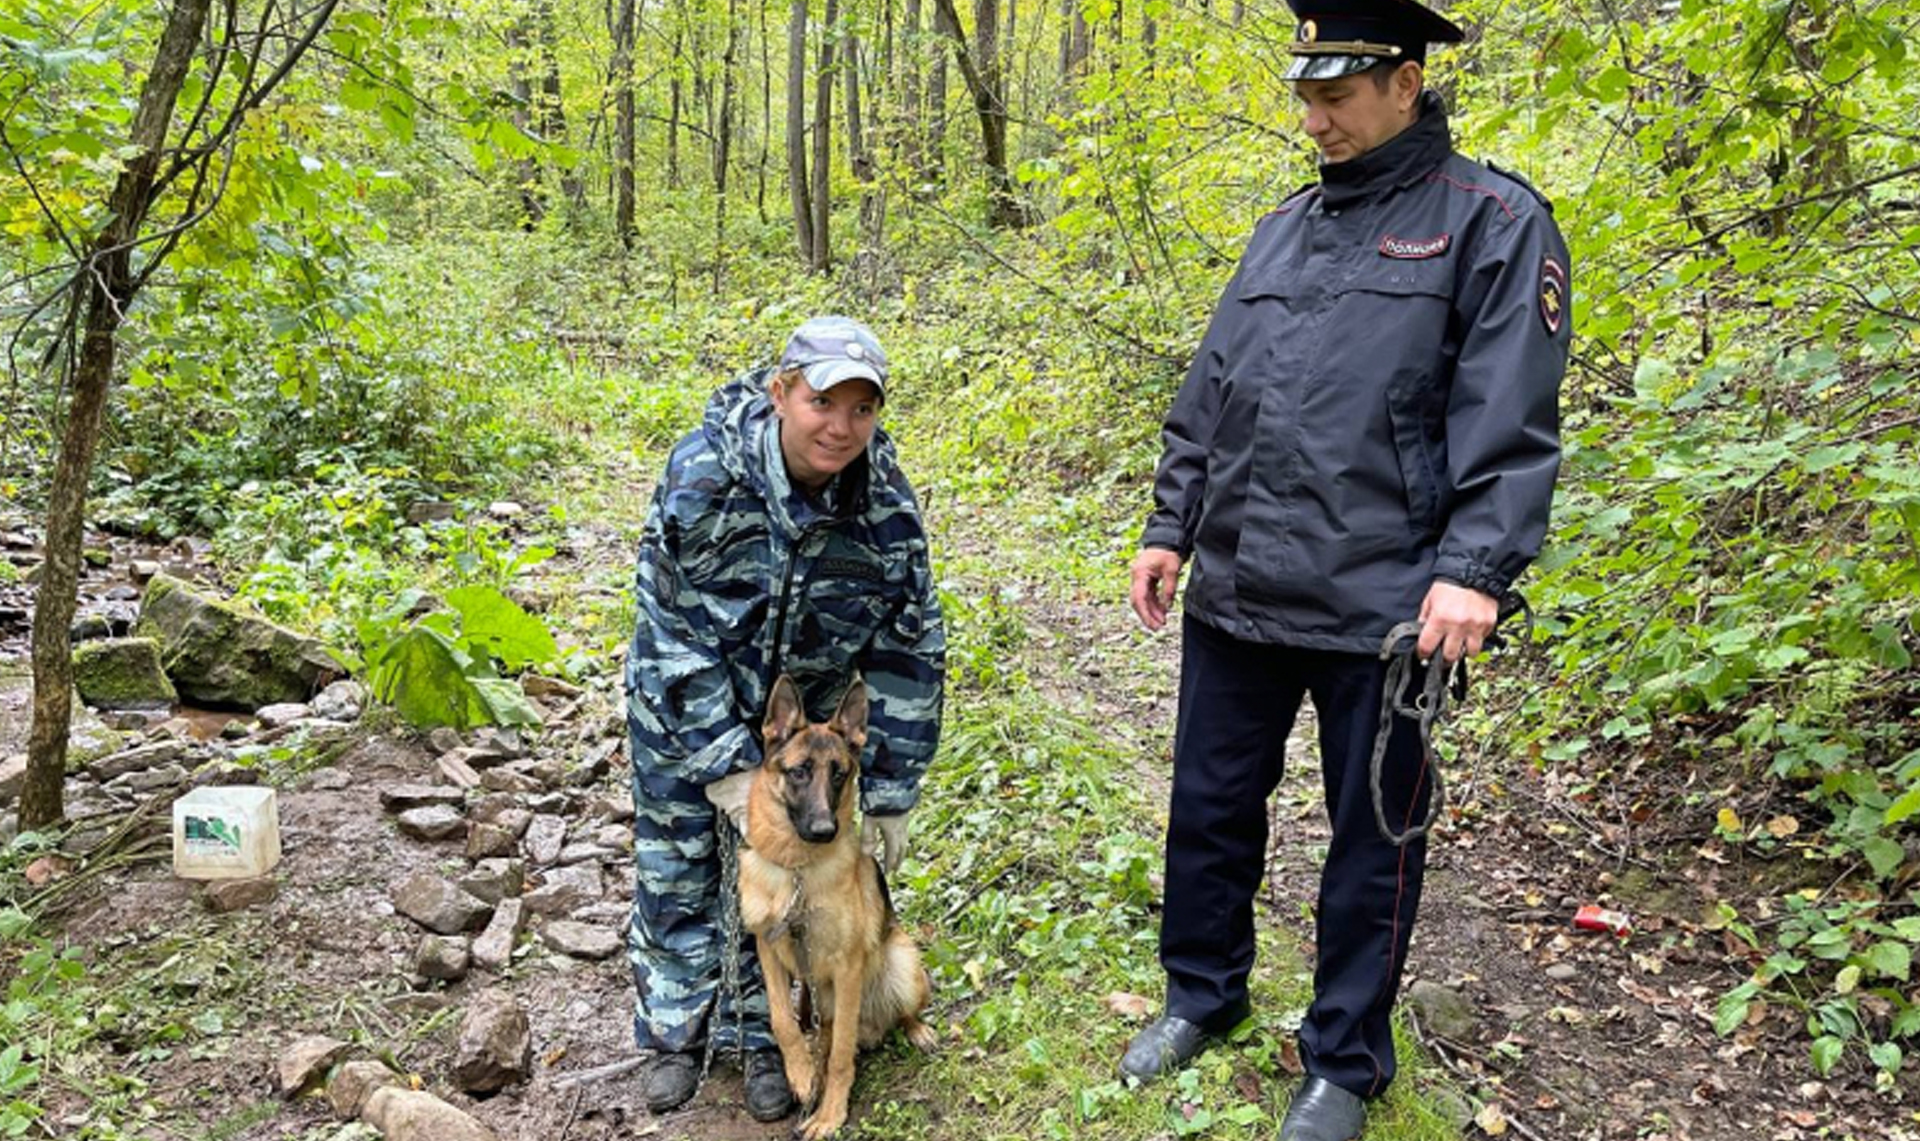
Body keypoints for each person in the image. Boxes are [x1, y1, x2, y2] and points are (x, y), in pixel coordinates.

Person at [1120, 2, 1572, 1138]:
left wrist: (1475, 566)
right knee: (1210, 808)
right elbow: (1212, 389)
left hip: (1387, 604)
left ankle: (1344, 1060)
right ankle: (1200, 996)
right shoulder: (1282, 228)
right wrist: (1171, 522)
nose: (1313, 117)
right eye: (1305, 96)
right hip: (1238, 585)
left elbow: (1509, 413)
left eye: (1336, 95)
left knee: (1376, 835)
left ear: (1406, 84)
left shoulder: (1493, 221)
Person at [623, 316, 945, 1121]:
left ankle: (759, 1041)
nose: (841, 426)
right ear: (781, 394)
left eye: (862, 408)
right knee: (679, 867)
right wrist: (729, 765)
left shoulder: (886, 509)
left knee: (784, 889)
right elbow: (670, 627)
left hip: (803, 736)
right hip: (682, 706)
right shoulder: (703, 476)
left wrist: (895, 787)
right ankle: (674, 1031)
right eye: (822, 401)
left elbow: (910, 645)